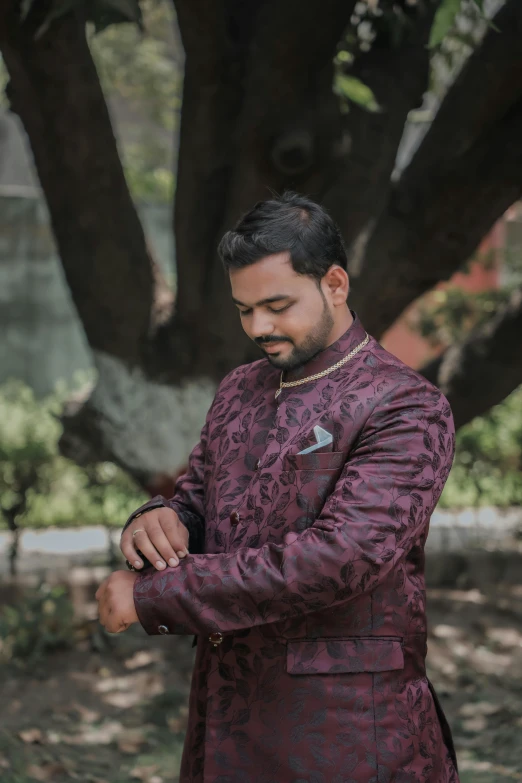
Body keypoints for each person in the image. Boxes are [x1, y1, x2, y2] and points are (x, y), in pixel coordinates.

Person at [96, 192, 459, 783]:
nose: (259, 327)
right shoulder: (241, 387)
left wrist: (152, 598)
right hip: (224, 713)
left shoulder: (405, 406)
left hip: (344, 731)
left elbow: (341, 559)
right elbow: (197, 501)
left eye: (276, 305)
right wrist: (157, 519)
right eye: (245, 310)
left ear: (335, 283)